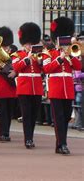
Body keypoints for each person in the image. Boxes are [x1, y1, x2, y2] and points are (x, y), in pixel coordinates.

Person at [42, 17, 81, 155]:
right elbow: (47, 68)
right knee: (58, 118)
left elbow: (78, 66)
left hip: (68, 90)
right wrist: (60, 57)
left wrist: (69, 55)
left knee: (65, 117)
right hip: (56, 89)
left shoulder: (70, 52)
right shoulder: (49, 53)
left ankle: (59, 144)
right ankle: (62, 144)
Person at [11, 22, 44, 149]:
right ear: (23, 43)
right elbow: (16, 67)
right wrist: (27, 58)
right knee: (26, 114)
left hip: (36, 87)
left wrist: (39, 61)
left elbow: (44, 69)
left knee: (34, 114)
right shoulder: (17, 54)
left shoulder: (39, 53)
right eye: (28, 43)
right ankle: (28, 138)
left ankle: (31, 135)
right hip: (24, 88)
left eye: (31, 43)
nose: (30, 46)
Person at [0, 27, 17, 142]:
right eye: (4, 45)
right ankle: (3, 133)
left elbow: (17, 64)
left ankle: (7, 131)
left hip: (11, 86)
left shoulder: (13, 52)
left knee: (9, 110)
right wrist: (0, 67)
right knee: (2, 110)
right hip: (1, 85)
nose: (6, 47)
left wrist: (15, 71)